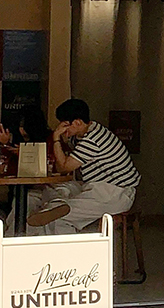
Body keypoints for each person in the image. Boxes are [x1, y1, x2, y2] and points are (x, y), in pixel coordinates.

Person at [35, 99, 140, 231]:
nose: (60, 128)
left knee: (57, 218)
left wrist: (56, 137)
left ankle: (60, 213)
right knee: (56, 188)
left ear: (77, 122)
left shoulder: (92, 140)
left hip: (113, 193)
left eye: (64, 124)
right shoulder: (90, 131)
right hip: (100, 187)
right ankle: (57, 206)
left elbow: (64, 167)